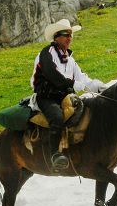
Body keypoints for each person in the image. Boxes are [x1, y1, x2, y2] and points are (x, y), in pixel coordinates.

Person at [30, 19, 107, 171]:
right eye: (66, 34)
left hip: (64, 96)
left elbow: (82, 78)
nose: (69, 38)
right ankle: (54, 155)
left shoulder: (70, 60)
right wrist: (71, 84)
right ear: (56, 37)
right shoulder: (46, 54)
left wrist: (96, 86)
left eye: (71, 35)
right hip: (46, 96)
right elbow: (53, 74)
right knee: (57, 117)